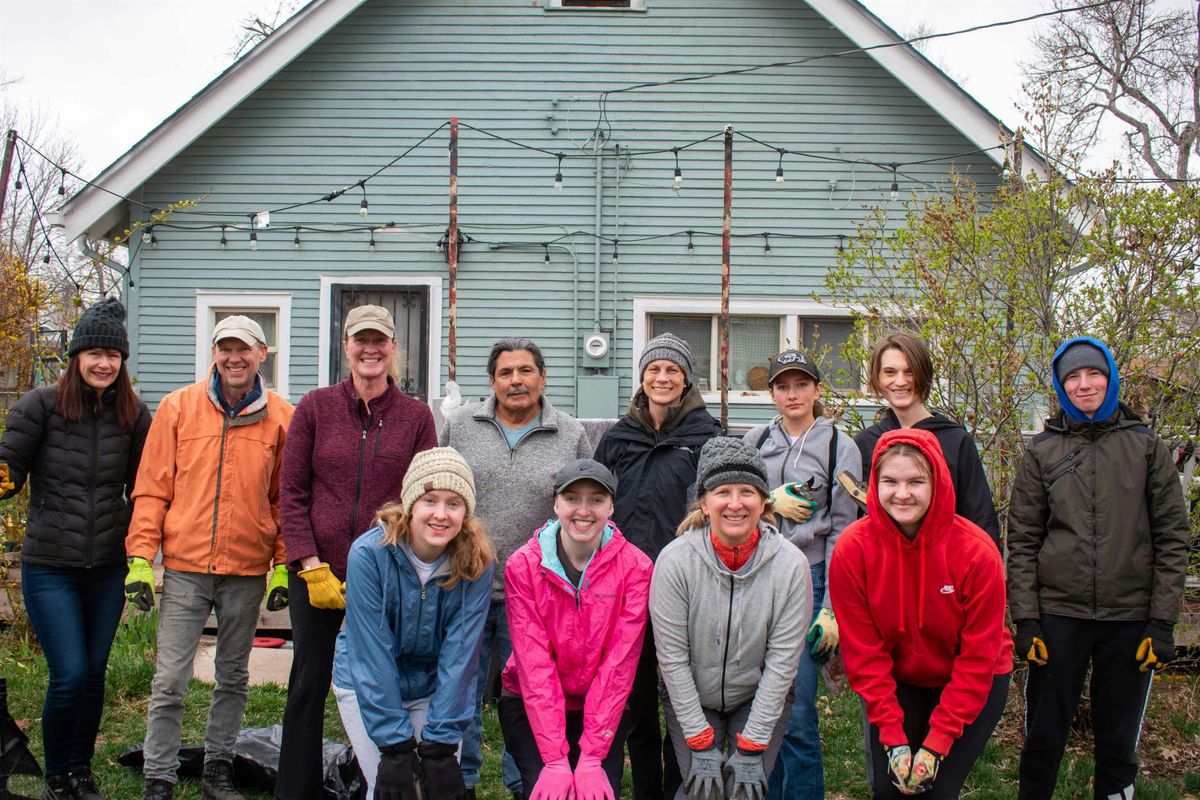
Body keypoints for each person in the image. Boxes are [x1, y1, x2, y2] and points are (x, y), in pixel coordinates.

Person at [1007, 337, 1189, 800]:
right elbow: (1023, 539)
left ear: (1109, 378)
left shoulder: (1147, 447)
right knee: (1044, 736)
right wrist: (1026, 619)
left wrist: (1162, 621)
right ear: (1060, 385)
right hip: (1058, 618)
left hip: (1131, 621)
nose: (1084, 385)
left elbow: (1172, 538)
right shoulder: (1043, 451)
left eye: (1093, 374)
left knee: (1118, 739)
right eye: (1073, 377)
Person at [126, 315, 293, 800]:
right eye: (225, 348)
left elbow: (285, 498)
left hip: (245, 570)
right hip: (184, 567)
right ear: (214, 353)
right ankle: (159, 775)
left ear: (263, 353)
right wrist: (140, 556)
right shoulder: (178, 408)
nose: (234, 358)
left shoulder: (282, 416)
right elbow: (152, 489)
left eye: (244, 348)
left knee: (233, 676)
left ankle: (217, 770)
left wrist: (282, 563)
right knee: (170, 678)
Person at [276, 304, 437, 800]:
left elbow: (425, 496)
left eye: (380, 341)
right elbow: (292, 492)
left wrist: (406, 566)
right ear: (345, 346)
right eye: (360, 340)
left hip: (386, 579)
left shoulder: (415, 417)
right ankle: (294, 789)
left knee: (383, 683)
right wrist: (307, 563)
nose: (371, 349)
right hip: (318, 574)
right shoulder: (315, 407)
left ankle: (383, 780)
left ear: (393, 349)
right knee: (308, 683)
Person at [0, 299, 151, 800]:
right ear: (75, 356)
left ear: (122, 360)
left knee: (93, 675)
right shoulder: (38, 406)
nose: (104, 363)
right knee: (68, 674)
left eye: (113, 354)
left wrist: (141, 550)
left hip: (107, 567)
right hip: (50, 566)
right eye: (94, 353)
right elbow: (10, 466)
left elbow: (146, 487)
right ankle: (56, 776)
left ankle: (79, 772)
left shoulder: (133, 414)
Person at [440, 337, 593, 800]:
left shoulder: (570, 434)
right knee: (458, 688)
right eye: (505, 373)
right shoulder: (461, 426)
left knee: (529, 696)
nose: (516, 381)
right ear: (492, 381)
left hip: (535, 592)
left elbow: (585, 508)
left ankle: (525, 780)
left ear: (543, 378)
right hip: (463, 583)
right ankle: (459, 778)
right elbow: (438, 491)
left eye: (526, 371)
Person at [830, 428, 1012, 799]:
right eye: (890, 481)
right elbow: (863, 652)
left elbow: (978, 656)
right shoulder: (853, 549)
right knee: (890, 789)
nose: (902, 493)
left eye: (916, 481)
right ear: (874, 484)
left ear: (938, 482)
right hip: (898, 676)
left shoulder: (977, 553)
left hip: (972, 676)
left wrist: (936, 744)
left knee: (936, 791)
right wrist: (894, 740)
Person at [594, 332, 721, 800]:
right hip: (624, 588)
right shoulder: (619, 437)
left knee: (686, 699)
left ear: (686, 378)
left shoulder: (706, 436)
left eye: (672, 370)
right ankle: (647, 789)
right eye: (654, 369)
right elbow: (595, 503)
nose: (662, 377)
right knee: (638, 700)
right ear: (643, 378)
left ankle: (679, 788)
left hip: (686, 587)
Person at [650, 437, 811, 800]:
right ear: (704, 503)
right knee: (700, 792)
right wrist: (699, 741)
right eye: (723, 491)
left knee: (743, 792)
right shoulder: (675, 562)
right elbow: (672, 660)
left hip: (757, 696)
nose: (735, 504)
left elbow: (782, 665)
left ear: (764, 501)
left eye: (747, 491)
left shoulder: (790, 566)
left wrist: (754, 744)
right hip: (693, 696)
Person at [332, 447, 493, 800]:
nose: (440, 514)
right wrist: (394, 744)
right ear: (410, 505)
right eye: (430, 500)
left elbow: (461, 653)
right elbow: (371, 650)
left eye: (454, 503)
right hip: (364, 680)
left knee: (435, 788)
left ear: (466, 512)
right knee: (391, 786)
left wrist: (440, 742)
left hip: (432, 684)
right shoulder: (368, 555)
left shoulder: (477, 562)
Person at [742, 349, 862, 800]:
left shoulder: (838, 446)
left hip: (808, 580)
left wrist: (831, 606)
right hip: (757, 578)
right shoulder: (754, 440)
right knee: (757, 708)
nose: (792, 394)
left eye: (801, 384)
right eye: (782, 386)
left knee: (795, 714)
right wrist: (768, 502)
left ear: (816, 389)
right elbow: (726, 503)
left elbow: (845, 531)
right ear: (770, 392)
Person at [499, 459, 652, 800]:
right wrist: (554, 760)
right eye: (572, 498)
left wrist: (592, 756)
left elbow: (619, 664)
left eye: (596, 499)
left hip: (603, 703)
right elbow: (534, 665)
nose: (583, 510)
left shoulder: (636, 568)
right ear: (555, 504)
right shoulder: (523, 566)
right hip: (528, 700)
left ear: (612, 506)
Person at [854, 332, 1001, 547]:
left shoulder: (956, 441)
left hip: (946, 567)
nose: (900, 381)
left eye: (910, 372)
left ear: (923, 375)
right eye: (890, 372)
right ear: (877, 378)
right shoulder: (866, 443)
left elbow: (980, 518)